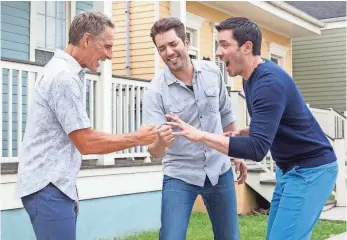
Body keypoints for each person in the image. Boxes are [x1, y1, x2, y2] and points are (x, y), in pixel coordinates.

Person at [166, 17, 338, 240]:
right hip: (289, 170)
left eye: (225, 45)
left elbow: (256, 149)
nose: (218, 52)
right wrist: (247, 131)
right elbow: (275, 122)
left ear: (247, 47)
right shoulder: (250, 78)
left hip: (311, 170)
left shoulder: (268, 83)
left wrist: (200, 135)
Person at [15, 11, 158, 240]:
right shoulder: (63, 77)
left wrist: (70, 193)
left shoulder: (65, 71)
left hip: (54, 188)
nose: (110, 55)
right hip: (48, 189)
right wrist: (138, 138)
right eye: (107, 47)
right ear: (87, 40)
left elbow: (69, 142)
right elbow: (86, 142)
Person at [142, 17, 247, 240]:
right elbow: (154, 151)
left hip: (219, 170)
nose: (169, 52)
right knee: (171, 237)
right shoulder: (155, 92)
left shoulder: (212, 73)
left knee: (230, 237)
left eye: (173, 44)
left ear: (186, 42)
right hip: (180, 174)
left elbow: (226, 114)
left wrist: (237, 152)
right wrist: (161, 141)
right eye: (162, 48)